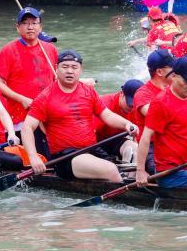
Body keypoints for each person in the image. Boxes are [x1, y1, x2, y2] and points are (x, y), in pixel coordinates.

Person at [21, 50, 138, 181]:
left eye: (74, 67)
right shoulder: (45, 97)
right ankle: (121, 189)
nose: (70, 71)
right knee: (111, 169)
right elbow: (27, 128)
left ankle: (132, 184)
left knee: (136, 153)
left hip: (92, 149)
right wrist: (33, 156)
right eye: (65, 67)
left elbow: (108, 116)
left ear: (80, 70)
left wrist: (127, 124)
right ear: (56, 69)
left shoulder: (88, 91)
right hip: (66, 157)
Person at [135, 56, 187, 189]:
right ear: (174, 76)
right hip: (169, 173)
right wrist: (140, 171)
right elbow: (145, 137)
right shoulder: (160, 103)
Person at [0, 7, 58, 128]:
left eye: (34, 23)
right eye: (25, 23)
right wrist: (21, 99)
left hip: (48, 113)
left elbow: (57, 80)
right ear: (17, 27)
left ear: (41, 27)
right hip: (21, 116)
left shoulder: (50, 49)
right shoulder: (9, 50)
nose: (30, 27)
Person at [95, 79, 144, 163]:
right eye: (130, 105)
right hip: (96, 142)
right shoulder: (105, 103)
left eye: (135, 106)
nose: (132, 109)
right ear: (121, 93)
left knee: (135, 150)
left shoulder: (140, 109)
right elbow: (90, 136)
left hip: (116, 140)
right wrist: (105, 158)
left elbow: (137, 138)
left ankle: (130, 174)